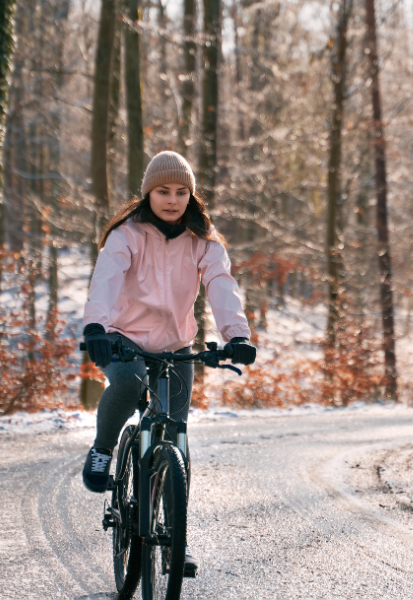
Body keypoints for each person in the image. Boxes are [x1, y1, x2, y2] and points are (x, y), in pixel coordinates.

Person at [80, 151, 256, 574]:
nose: (172, 199)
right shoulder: (127, 235)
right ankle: (103, 449)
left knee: (177, 438)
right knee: (126, 385)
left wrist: (237, 335)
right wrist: (95, 328)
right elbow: (106, 278)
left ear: (191, 196)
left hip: (177, 345)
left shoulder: (204, 240)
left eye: (181, 192)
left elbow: (221, 285)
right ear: (148, 193)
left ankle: (178, 537)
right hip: (124, 339)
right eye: (163, 191)